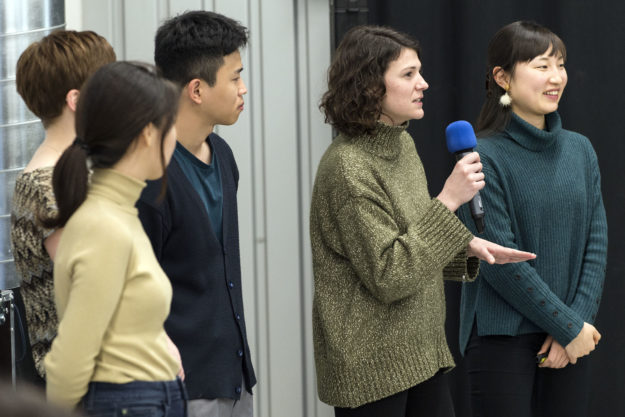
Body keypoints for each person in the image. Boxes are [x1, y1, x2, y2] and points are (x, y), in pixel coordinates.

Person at [310, 25, 536, 417]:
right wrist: (448, 201)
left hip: (422, 358)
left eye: (421, 72)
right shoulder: (348, 168)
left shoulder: (401, 142)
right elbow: (389, 273)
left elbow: (410, 244)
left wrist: (465, 247)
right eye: (409, 74)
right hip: (372, 372)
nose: (424, 84)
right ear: (370, 86)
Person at [457, 21, 608, 417]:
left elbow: (596, 244)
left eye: (560, 65)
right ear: (502, 77)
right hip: (501, 340)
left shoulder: (580, 150)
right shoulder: (482, 156)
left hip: (572, 337)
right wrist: (566, 325)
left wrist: (574, 325)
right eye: (542, 66)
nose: (556, 77)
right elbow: (499, 263)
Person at [42, 61, 186, 416]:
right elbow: (70, 359)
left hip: (141, 400)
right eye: (172, 124)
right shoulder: (103, 225)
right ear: (149, 133)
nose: (176, 137)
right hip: (129, 403)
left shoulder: (119, 214)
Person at [136, 11, 254, 417]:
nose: (244, 88)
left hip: (233, 376)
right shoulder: (148, 173)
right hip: (179, 385)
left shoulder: (222, 155)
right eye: (235, 77)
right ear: (197, 90)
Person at [10, 30, 115, 388]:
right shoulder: (45, 185)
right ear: (76, 99)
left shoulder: (77, 171)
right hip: (82, 380)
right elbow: (91, 283)